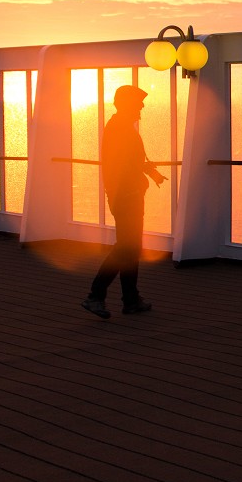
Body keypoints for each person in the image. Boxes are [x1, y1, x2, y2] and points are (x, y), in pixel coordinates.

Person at [81, 85, 165, 319]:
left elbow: (130, 161)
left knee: (131, 248)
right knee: (125, 248)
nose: (142, 107)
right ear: (128, 104)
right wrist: (140, 179)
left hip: (128, 194)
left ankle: (131, 299)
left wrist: (150, 173)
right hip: (126, 196)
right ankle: (96, 295)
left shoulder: (121, 128)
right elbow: (124, 164)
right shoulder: (120, 129)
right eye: (138, 103)